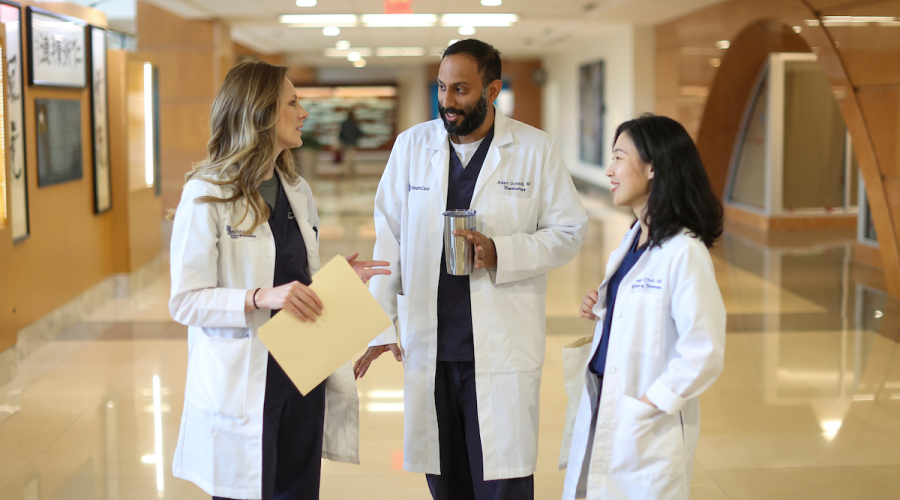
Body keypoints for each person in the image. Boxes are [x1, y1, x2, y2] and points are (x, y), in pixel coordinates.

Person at [353, 39, 588, 500]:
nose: (447, 101)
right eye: (441, 88)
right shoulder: (411, 147)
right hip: (433, 350)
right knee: (447, 484)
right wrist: (381, 327)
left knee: (503, 483)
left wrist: (502, 253)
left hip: (500, 348)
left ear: (493, 89)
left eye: (460, 89)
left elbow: (570, 231)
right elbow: (389, 240)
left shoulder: (534, 150)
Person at [168, 60, 389, 500]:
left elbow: (294, 279)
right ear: (262, 113)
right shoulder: (206, 195)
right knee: (247, 490)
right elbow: (185, 301)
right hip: (244, 378)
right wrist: (258, 297)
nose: (303, 112)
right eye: (292, 102)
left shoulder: (296, 189)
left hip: (302, 367)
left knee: (298, 489)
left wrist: (336, 281)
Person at [561, 114, 726, 500]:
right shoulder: (632, 240)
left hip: (645, 419)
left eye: (619, 157)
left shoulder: (684, 252)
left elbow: (704, 350)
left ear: (653, 166)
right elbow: (645, 319)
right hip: (605, 399)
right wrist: (603, 307)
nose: (609, 170)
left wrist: (652, 403)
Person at [337, 110, 363, 177]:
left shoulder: (344, 123)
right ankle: (343, 172)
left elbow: (341, 134)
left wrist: (342, 142)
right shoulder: (354, 123)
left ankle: (353, 172)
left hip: (346, 143)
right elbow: (359, 133)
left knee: (350, 157)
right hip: (351, 143)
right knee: (349, 158)